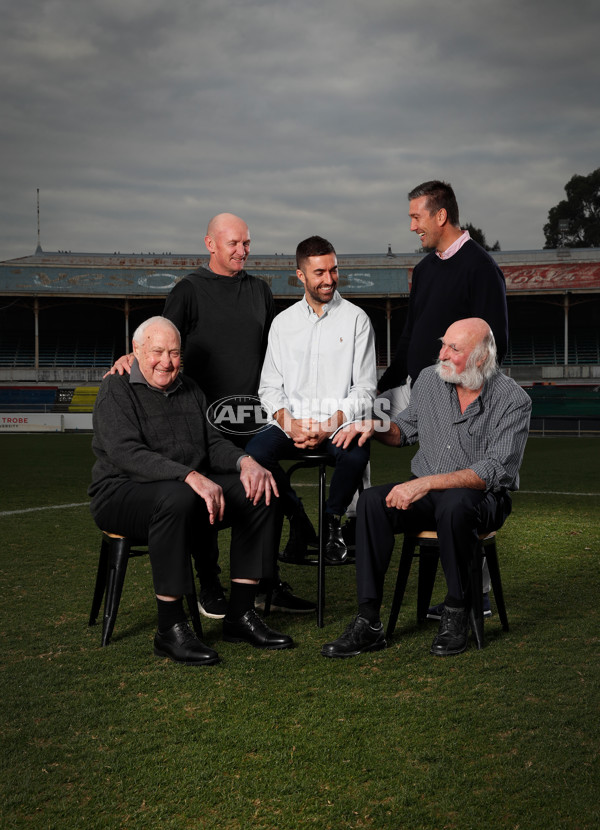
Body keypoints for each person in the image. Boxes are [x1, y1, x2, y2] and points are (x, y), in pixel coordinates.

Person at [107, 213, 315, 617]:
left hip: (254, 417)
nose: (242, 250)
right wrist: (130, 358)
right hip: (201, 420)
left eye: (247, 243)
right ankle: (209, 585)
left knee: (263, 491)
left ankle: (264, 583)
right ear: (210, 244)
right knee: (203, 498)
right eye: (233, 243)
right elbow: (161, 341)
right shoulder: (188, 290)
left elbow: (276, 353)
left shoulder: (259, 290)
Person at [322, 318, 531, 658]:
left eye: (454, 349)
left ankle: (457, 611)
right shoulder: (430, 381)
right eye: (443, 344)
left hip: (483, 498)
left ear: (480, 358)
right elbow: (405, 430)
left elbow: (494, 470)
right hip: (430, 493)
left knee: (455, 505)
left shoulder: (513, 400)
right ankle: (368, 621)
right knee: (373, 502)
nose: (442, 354)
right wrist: (374, 425)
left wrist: (425, 483)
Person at [89, 316, 294, 665]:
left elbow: (213, 444)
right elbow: (127, 453)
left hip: (182, 491)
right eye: (156, 351)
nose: (166, 361)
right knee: (178, 497)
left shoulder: (190, 389)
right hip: (121, 492)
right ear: (136, 351)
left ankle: (241, 615)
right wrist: (189, 476)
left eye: (174, 352)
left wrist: (246, 462)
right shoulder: (116, 389)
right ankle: (169, 629)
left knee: (259, 489)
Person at [369, 180, 510, 615]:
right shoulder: (427, 269)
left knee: (459, 492)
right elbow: (411, 334)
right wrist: (381, 388)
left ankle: (474, 595)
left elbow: (496, 341)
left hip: (462, 397)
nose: (412, 226)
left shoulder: (481, 267)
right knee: (425, 480)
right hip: (422, 393)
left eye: (416, 217)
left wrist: (471, 398)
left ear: (441, 215)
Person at [245, 235, 377, 565]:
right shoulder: (282, 323)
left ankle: (332, 525)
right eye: (319, 272)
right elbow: (269, 388)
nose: (329, 279)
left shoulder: (357, 319)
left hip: (336, 425)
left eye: (333, 270)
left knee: (356, 456)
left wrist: (329, 425)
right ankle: (297, 517)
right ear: (301, 275)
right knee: (255, 454)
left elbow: (364, 389)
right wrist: (290, 425)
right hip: (295, 424)